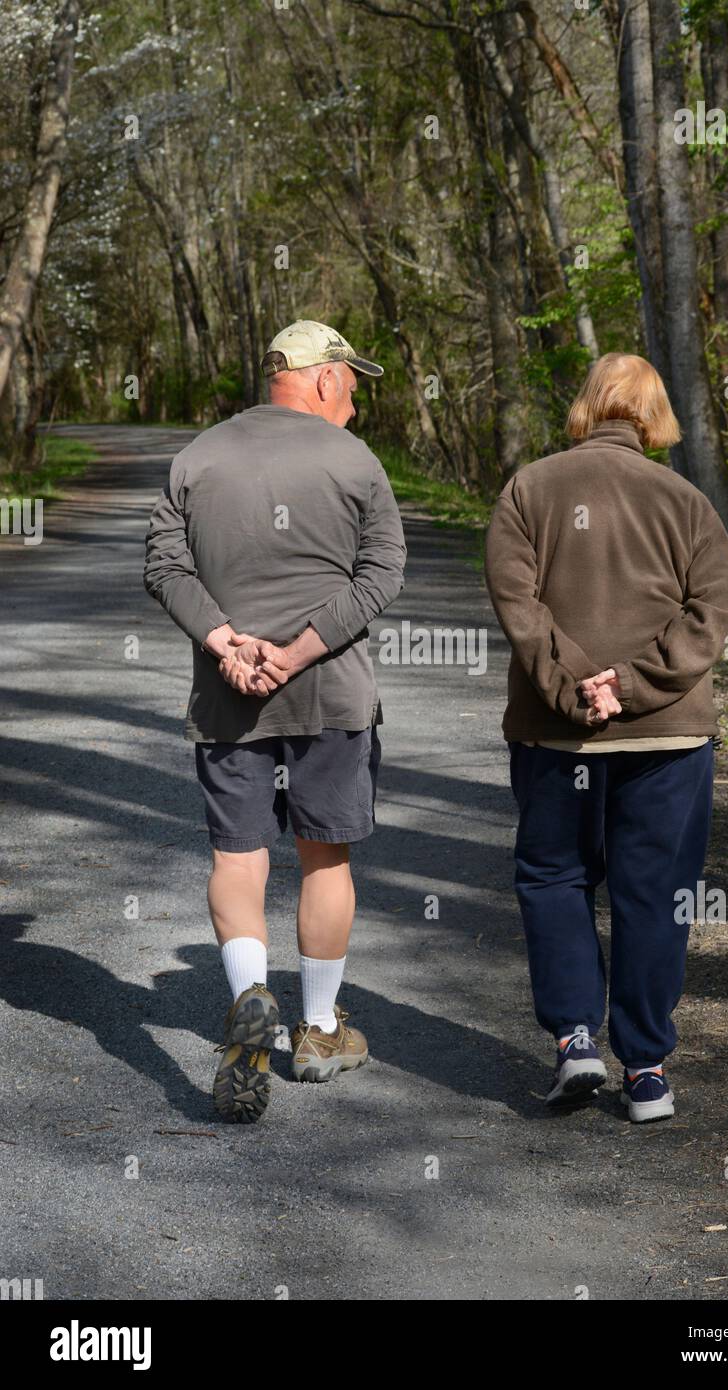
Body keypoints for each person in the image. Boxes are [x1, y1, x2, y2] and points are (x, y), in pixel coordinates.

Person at [144, 320, 406, 1123]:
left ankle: (251, 996)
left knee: (238, 853)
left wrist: (227, 643)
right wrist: (296, 654)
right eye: (352, 385)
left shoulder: (199, 457)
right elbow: (384, 571)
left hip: (229, 698)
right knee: (324, 857)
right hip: (327, 695)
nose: (355, 403)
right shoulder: (354, 461)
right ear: (323, 379)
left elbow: (163, 564)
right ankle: (320, 1030)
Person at [484, 353, 728, 1122]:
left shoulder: (530, 487)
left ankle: (574, 1042)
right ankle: (647, 1071)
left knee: (556, 880)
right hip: (668, 738)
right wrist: (632, 686)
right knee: (655, 897)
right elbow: (715, 611)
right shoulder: (686, 500)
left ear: (588, 406)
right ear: (655, 415)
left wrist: (576, 688)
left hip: (555, 737)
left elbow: (515, 599)